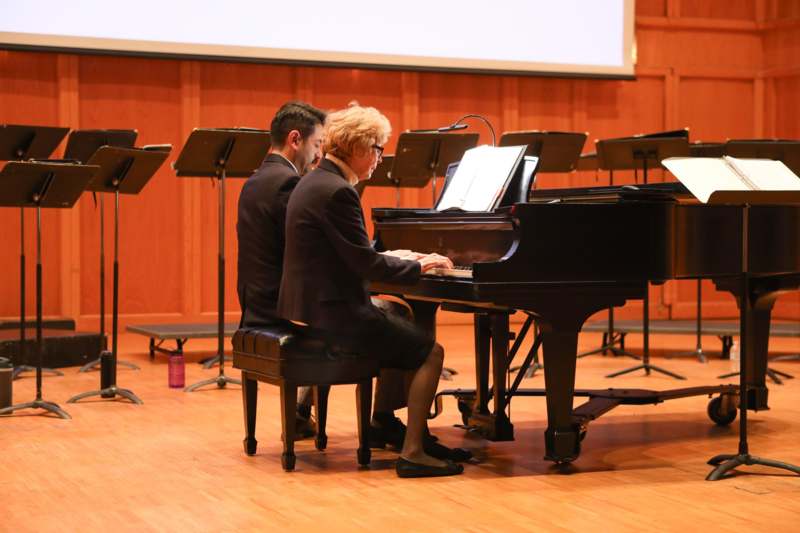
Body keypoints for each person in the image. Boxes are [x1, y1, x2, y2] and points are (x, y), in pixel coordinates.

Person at [237, 102, 468, 462]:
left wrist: (402, 258)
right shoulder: (338, 191)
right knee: (429, 351)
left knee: (399, 321)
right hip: (334, 313)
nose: (380, 157)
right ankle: (413, 451)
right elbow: (365, 264)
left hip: (308, 306)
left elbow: (349, 253)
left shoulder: (315, 180)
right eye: (377, 148)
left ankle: (384, 422)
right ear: (358, 147)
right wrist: (418, 267)